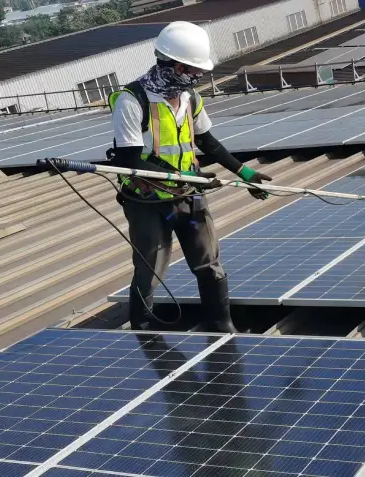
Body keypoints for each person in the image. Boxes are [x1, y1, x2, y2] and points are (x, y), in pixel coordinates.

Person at [108, 21, 272, 333]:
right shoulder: (132, 100)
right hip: (147, 201)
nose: (196, 76)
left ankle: (221, 326)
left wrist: (244, 172)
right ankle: (143, 333)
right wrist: (186, 176)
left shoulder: (190, 98)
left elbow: (208, 142)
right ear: (173, 64)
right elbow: (130, 161)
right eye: (191, 69)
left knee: (209, 265)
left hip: (189, 197)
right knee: (149, 271)